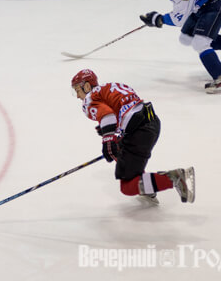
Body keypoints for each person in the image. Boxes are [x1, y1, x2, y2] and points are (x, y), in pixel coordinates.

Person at [71, 69, 195, 205]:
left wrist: (108, 139)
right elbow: (126, 107)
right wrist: (114, 131)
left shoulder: (89, 99)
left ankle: (175, 178)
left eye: (77, 90)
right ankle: (147, 187)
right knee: (123, 155)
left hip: (139, 131)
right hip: (152, 123)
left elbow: (107, 115)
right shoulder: (111, 86)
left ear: (87, 86)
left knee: (127, 186)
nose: (77, 96)